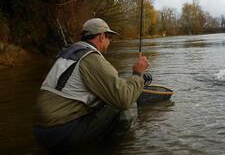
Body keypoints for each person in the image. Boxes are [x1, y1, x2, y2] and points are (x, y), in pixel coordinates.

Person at [33, 18, 148, 153]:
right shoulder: (91, 58)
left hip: (41, 132)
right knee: (126, 103)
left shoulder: (68, 53)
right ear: (101, 37)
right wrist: (137, 74)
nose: (110, 41)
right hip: (60, 132)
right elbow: (123, 99)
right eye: (109, 37)